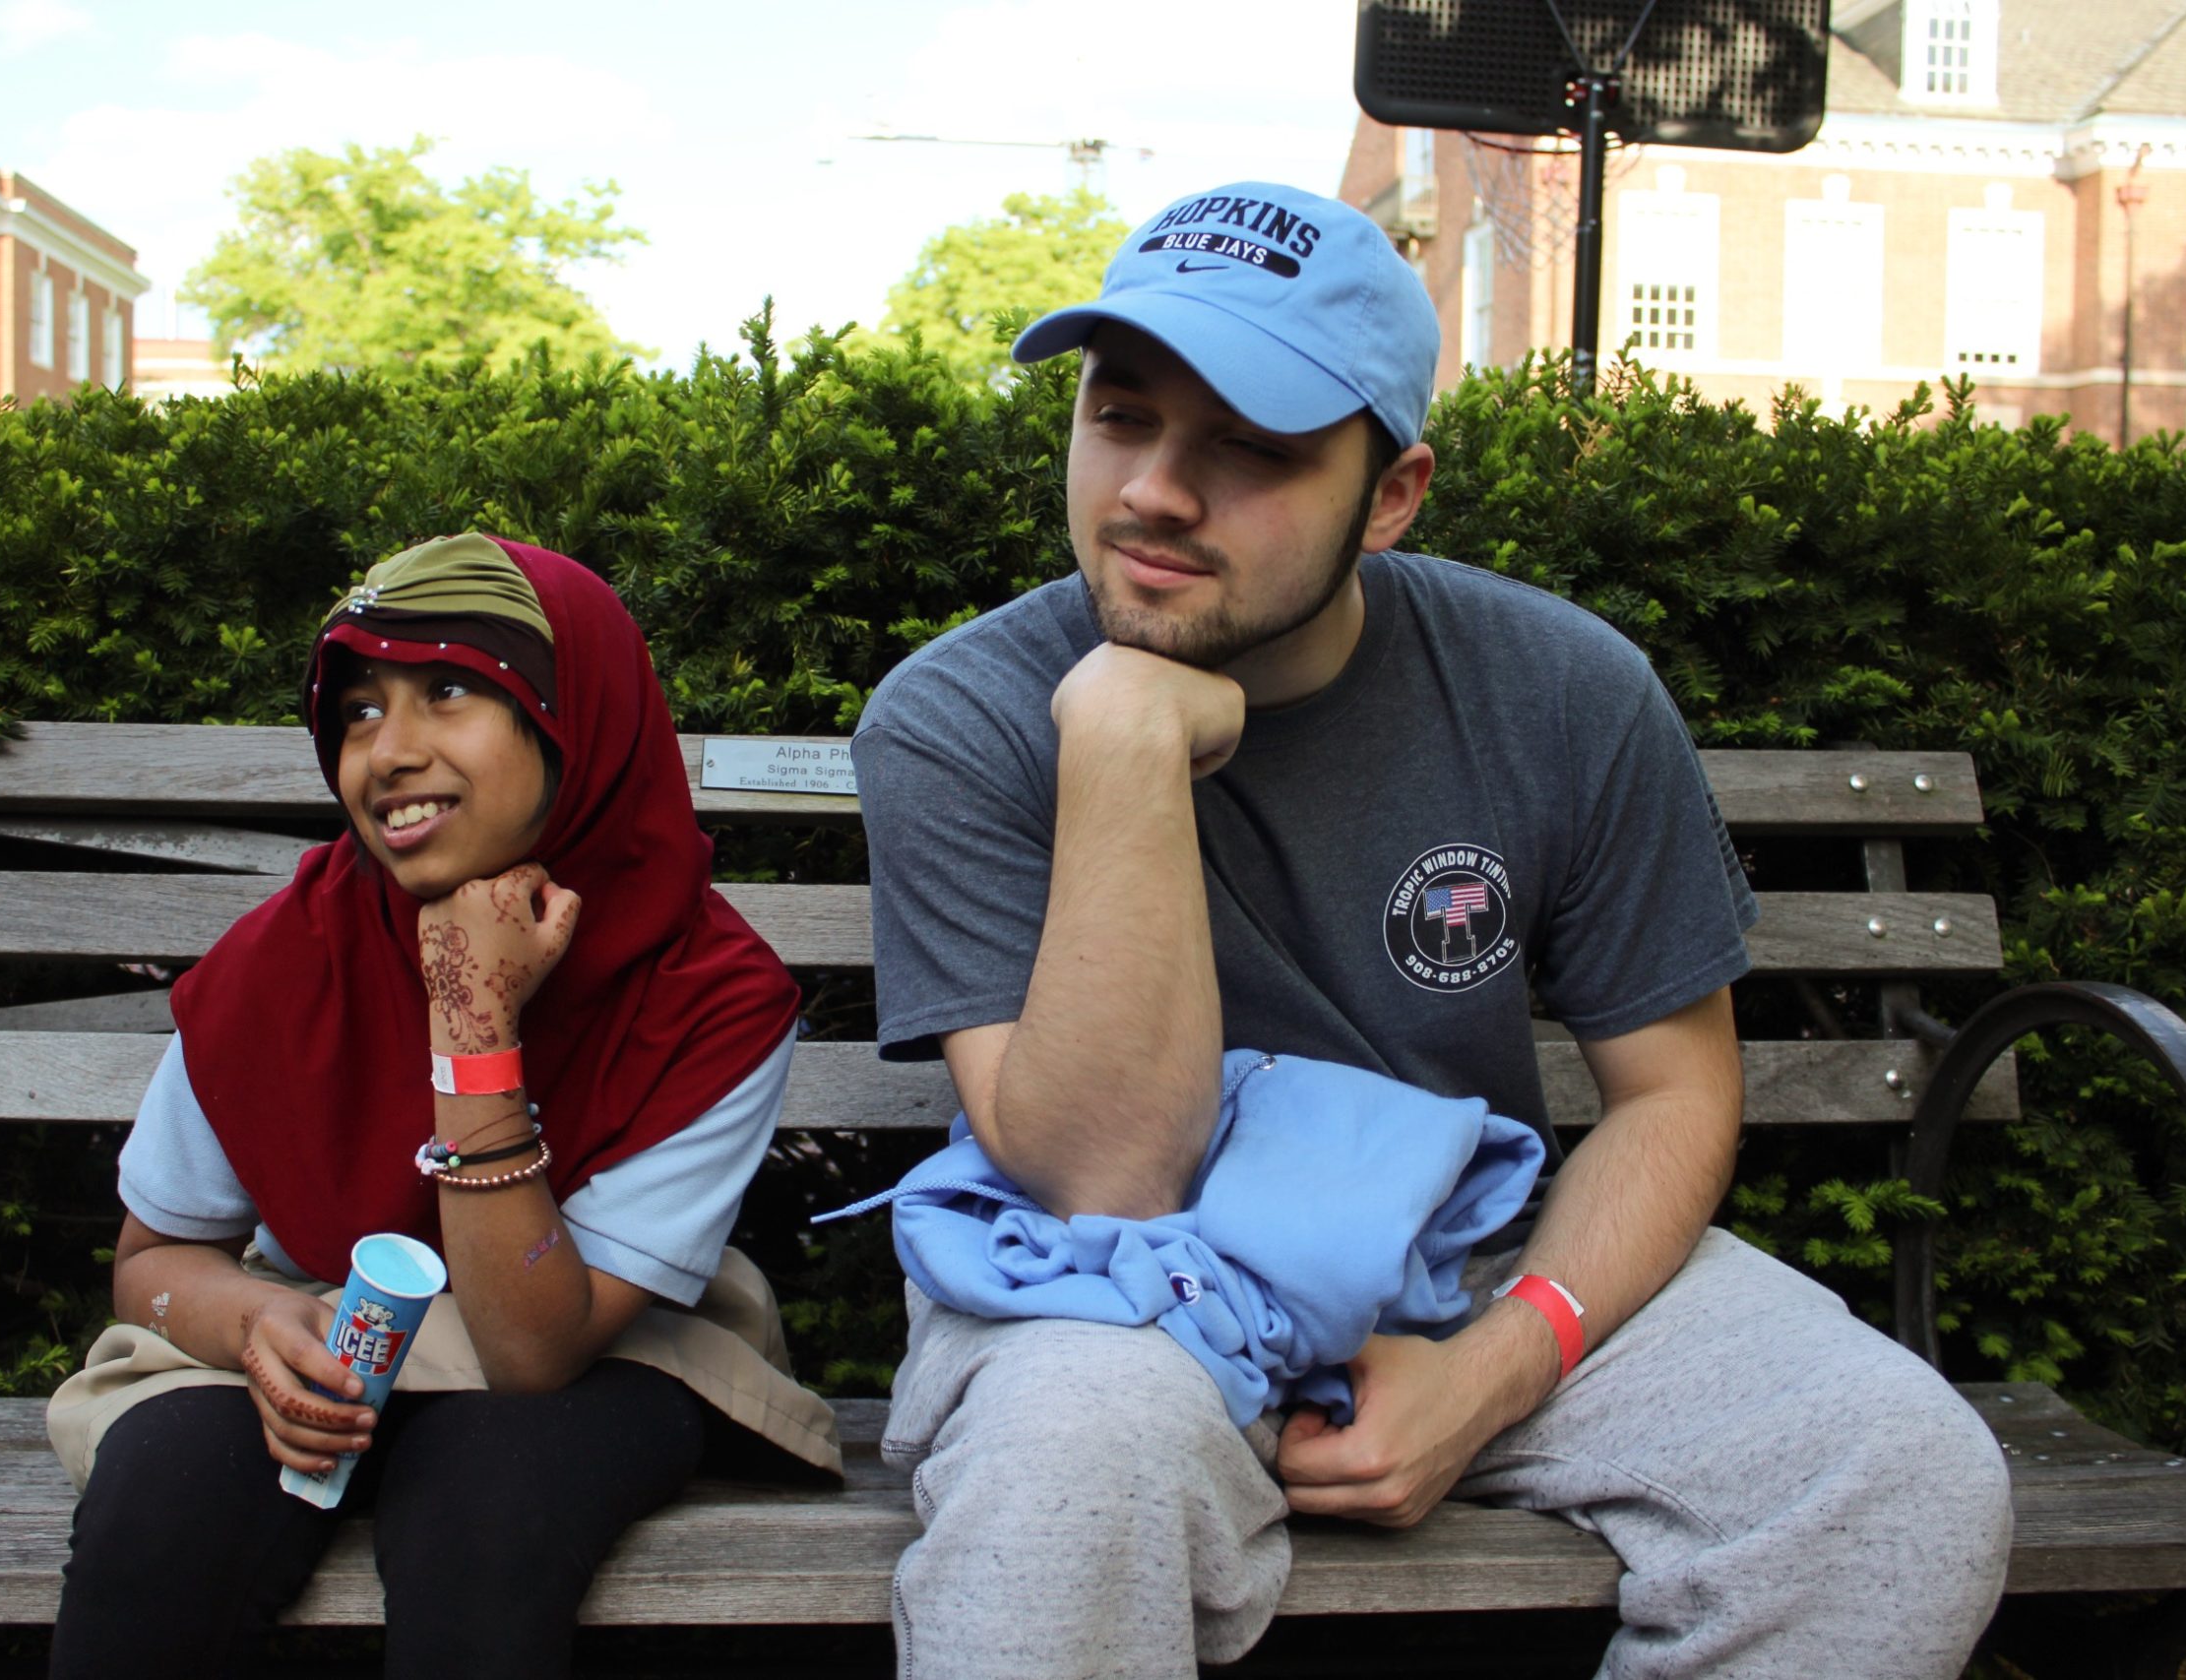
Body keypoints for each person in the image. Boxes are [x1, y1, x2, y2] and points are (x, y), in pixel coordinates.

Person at [851, 182, 2013, 1679]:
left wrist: (1495, 1366)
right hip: (1102, 1286)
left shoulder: (1561, 688)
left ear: (1390, 493)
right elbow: (1101, 1176)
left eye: (1252, 449)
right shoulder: (961, 717)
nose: (1150, 491)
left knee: (1894, 1470)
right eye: (1119, 416)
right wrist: (1124, 746)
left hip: (1467, 1252)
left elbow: (1674, 1094)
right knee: (1070, 1459)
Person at [45, 534, 840, 1679]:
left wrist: (472, 1024)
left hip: (593, 1344)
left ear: (578, 719)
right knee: (164, 1506)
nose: (389, 752)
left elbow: (531, 1348)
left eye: (451, 691)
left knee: (489, 1513)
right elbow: (158, 1254)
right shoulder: (285, 959)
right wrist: (250, 1327)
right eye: (358, 711)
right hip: (317, 1326)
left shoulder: (710, 996)